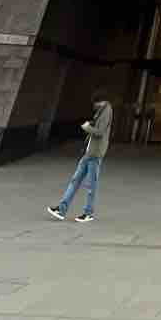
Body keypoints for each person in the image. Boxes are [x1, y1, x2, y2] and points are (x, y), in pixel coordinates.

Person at [47, 90, 113, 223]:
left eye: (96, 104)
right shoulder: (102, 110)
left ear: (101, 102)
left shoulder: (107, 111)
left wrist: (87, 127)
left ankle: (88, 213)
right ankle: (62, 209)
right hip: (90, 152)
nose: (95, 106)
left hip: (95, 153)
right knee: (75, 180)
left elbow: (100, 132)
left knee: (91, 184)